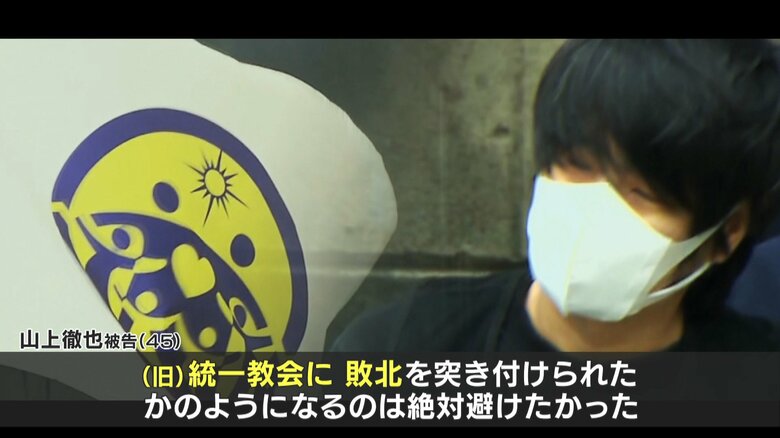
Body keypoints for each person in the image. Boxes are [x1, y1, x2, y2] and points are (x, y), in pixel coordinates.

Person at [330, 39, 780, 352]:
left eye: (641, 192)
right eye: (578, 164)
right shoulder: (403, 345)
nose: (593, 207)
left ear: (727, 233)